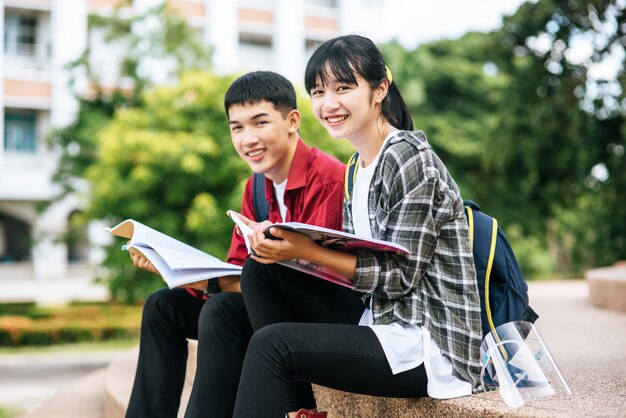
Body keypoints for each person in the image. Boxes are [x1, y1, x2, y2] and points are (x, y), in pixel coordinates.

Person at [232, 35, 483, 418]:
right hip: (379, 318)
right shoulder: (356, 167)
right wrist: (289, 249)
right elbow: (358, 263)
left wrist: (306, 251)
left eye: (343, 88)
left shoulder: (409, 158)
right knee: (261, 271)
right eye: (318, 92)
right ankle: (302, 411)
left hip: (428, 343)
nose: (328, 104)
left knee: (272, 344)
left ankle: (296, 408)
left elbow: (400, 277)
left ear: (380, 87)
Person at [125, 71, 346, 418]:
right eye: (237, 127)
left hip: (317, 317)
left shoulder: (328, 178)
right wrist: (176, 271)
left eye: (260, 123)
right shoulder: (256, 187)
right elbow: (239, 269)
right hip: (263, 309)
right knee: (162, 307)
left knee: (220, 311)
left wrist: (205, 282)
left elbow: (315, 282)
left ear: (292, 120)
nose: (248, 139)